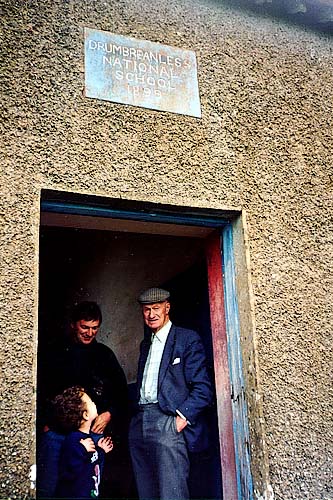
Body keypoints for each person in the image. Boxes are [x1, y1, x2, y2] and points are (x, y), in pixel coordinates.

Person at [37, 301, 128, 498]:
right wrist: (46, 423)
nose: (89, 333)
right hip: (56, 434)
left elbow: (122, 392)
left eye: (94, 328)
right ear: (73, 324)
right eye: (84, 327)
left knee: (87, 488)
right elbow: (41, 389)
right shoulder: (55, 352)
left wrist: (109, 414)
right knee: (49, 486)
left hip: (91, 433)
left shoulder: (104, 355)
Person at [129, 287, 213, 500]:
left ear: (167, 307)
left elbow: (203, 389)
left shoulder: (186, 339)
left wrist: (179, 420)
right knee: (146, 490)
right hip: (141, 422)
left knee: (171, 493)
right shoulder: (145, 344)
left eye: (156, 308)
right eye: (146, 309)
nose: (151, 314)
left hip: (167, 421)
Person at [52, 386, 113, 499]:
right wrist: (81, 449)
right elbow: (70, 470)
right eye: (91, 402)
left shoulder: (87, 438)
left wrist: (101, 450)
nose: (94, 402)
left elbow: (91, 464)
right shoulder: (73, 440)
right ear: (85, 415)